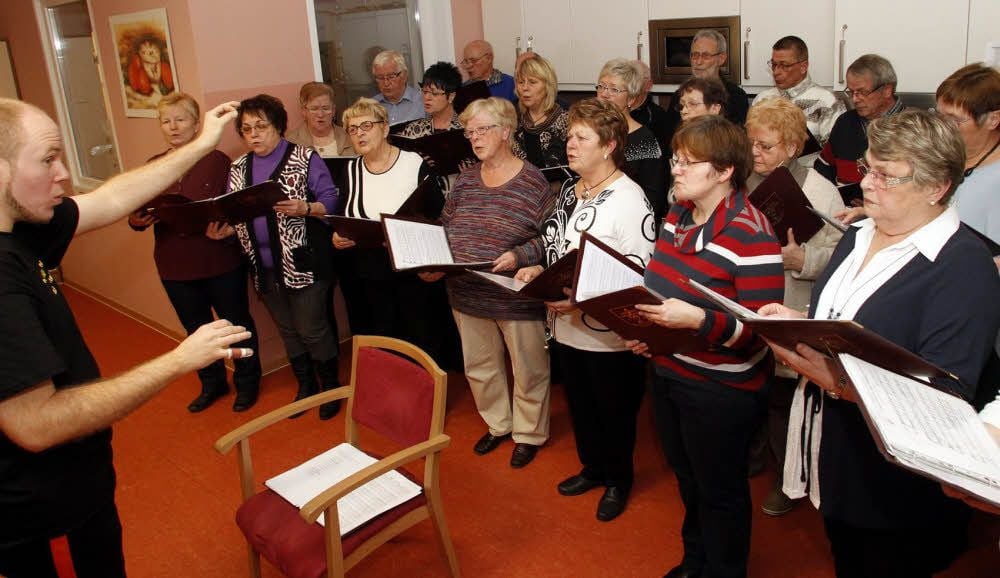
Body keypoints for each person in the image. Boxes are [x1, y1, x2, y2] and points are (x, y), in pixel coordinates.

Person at [0, 97, 249, 577]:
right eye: (48, 159)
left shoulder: (25, 228)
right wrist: (177, 361)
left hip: (79, 486)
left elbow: (113, 199)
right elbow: (35, 424)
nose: (64, 173)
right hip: (45, 513)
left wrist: (200, 145)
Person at [763, 110, 1000, 578]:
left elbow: (943, 398)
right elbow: (846, 323)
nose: (866, 184)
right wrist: (801, 322)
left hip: (896, 483)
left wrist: (836, 381)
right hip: (837, 450)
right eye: (867, 168)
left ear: (937, 187)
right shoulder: (857, 235)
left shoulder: (964, 267)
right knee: (848, 556)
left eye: (886, 176)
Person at [628, 115, 784, 578]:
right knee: (688, 478)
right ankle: (696, 559)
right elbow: (659, 286)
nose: (675, 170)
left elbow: (761, 332)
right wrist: (648, 328)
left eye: (688, 163)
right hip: (669, 369)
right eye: (676, 160)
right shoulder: (677, 213)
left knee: (720, 491)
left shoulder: (752, 233)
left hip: (721, 387)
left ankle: (724, 569)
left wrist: (697, 320)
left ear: (724, 171)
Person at [515, 98, 655, 521]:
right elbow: (559, 242)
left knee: (613, 411)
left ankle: (618, 480)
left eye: (581, 138)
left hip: (607, 332)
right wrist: (539, 267)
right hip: (566, 325)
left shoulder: (629, 200)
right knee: (582, 405)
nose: (569, 145)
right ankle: (593, 468)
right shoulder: (573, 190)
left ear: (610, 145)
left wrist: (581, 298)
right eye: (569, 136)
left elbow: (640, 276)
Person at [426, 97, 554, 468]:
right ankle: (498, 424)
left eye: (482, 129)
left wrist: (521, 256)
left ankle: (528, 433)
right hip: (465, 292)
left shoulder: (532, 181)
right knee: (480, 368)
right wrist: (426, 254)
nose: (474, 138)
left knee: (528, 369)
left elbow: (550, 237)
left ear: (505, 131)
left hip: (513, 295)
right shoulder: (465, 179)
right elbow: (446, 226)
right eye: (469, 132)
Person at [127, 92, 262, 413]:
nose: (173, 127)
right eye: (165, 121)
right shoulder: (154, 166)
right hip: (174, 265)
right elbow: (137, 213)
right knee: (196, 331)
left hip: (220, 260)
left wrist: (228, 227)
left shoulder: (218, 162)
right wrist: (136, 220)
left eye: (180, 119)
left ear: (196, 123)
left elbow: (237, 207)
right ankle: (212, 384)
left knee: (236, 325)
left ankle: (247, 382)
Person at [744, 97, 845, 516]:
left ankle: (788, 480)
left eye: (765, 146)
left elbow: (843, 258)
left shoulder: (821, 190)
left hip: (793, 302)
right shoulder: (747, 182)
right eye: (752, 144)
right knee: (755, 390)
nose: (755, 153)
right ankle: (754, 456)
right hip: (751, 302)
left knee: (787, 400)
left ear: (789, 146)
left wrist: (802, 261)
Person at [220, 94, 342, 420]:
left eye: (262, 126)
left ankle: (331, 387)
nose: (254, 134)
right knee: (288, 329)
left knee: (312, 328)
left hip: (304, 263)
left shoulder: (303, 157)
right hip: (264, 268)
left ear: (278, 126)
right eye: (247, 129)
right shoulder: (238, 167)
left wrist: (307, 208)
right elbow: (237, 212)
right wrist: (227, 229)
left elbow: (331, 199)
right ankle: (306, 386)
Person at [332, 98, 456, 367]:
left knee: (422, 336)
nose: (360, 133)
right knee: (385, 339)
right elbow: (345, 215)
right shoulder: (350, 170)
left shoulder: (413, 164)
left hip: (412, 269)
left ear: (385, 128)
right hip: (371, 272)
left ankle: (428, 398)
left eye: (366, 125)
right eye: (352, 129)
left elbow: (439, 216)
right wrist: (339, 236)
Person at [815, 54, 905, 205]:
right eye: (851, 92)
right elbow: (823, 168)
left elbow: (918, 184)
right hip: (846, 214)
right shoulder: (845, 122)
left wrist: (874, 204)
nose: (855, 99)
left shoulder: (914, 128)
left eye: (862, 92)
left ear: (887, 90)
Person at [935, 63, 1000, 252]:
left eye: (954, 120)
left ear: (993, 120)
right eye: (939, 116)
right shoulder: (941, 158)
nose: (942, 127)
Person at [596, 58, 668, 224]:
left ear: (631, 99)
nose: (605, 94)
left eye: (614, 89)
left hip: (630, 223)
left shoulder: (643, 139)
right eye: (601, 86)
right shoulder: (593, 133)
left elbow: (653, 198)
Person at [753, 35, 845, 158]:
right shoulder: (762, 99)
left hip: (808, 173)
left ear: (803, 67)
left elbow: (835, 151)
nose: (776, 72)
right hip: (766, 173)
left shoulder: (826, 100)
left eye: (784, 65)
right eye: (774, 64)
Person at [512, 54, 568, 171]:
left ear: (548, 85)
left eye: (532, 82)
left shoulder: (567, 120)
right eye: (521, 82)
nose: (525, 88)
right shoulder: (512, 118)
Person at [689, 29, 748, 125]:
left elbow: (737, 137)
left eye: (706, 56)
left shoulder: (737, 96)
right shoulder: (680, 95)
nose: (698, 62)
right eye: (695, 55)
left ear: (721, 59)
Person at [285, 82, 354, 157]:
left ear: (333, 111)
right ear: (304, 111)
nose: (320, 114)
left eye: (326, 108)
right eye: (314, 109)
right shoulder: (291, 143)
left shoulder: (349, 136)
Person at [398, 61, 464, 138]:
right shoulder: (413, 130)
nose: (427, 97)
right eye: (425, 91)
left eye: (434, 93)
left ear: (451, 96)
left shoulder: (466, 128)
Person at [630, 60, 674, 158]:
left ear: (648, 85)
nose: (629, 85)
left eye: (634, 80)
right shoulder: (614, 112)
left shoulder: (657, 117)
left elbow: (660, 157)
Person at [371, 50, 424, 126]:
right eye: (380, 78)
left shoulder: (422, 101)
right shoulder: (371, 106)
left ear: (404, 75)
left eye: (391, 77)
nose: (386, 83)